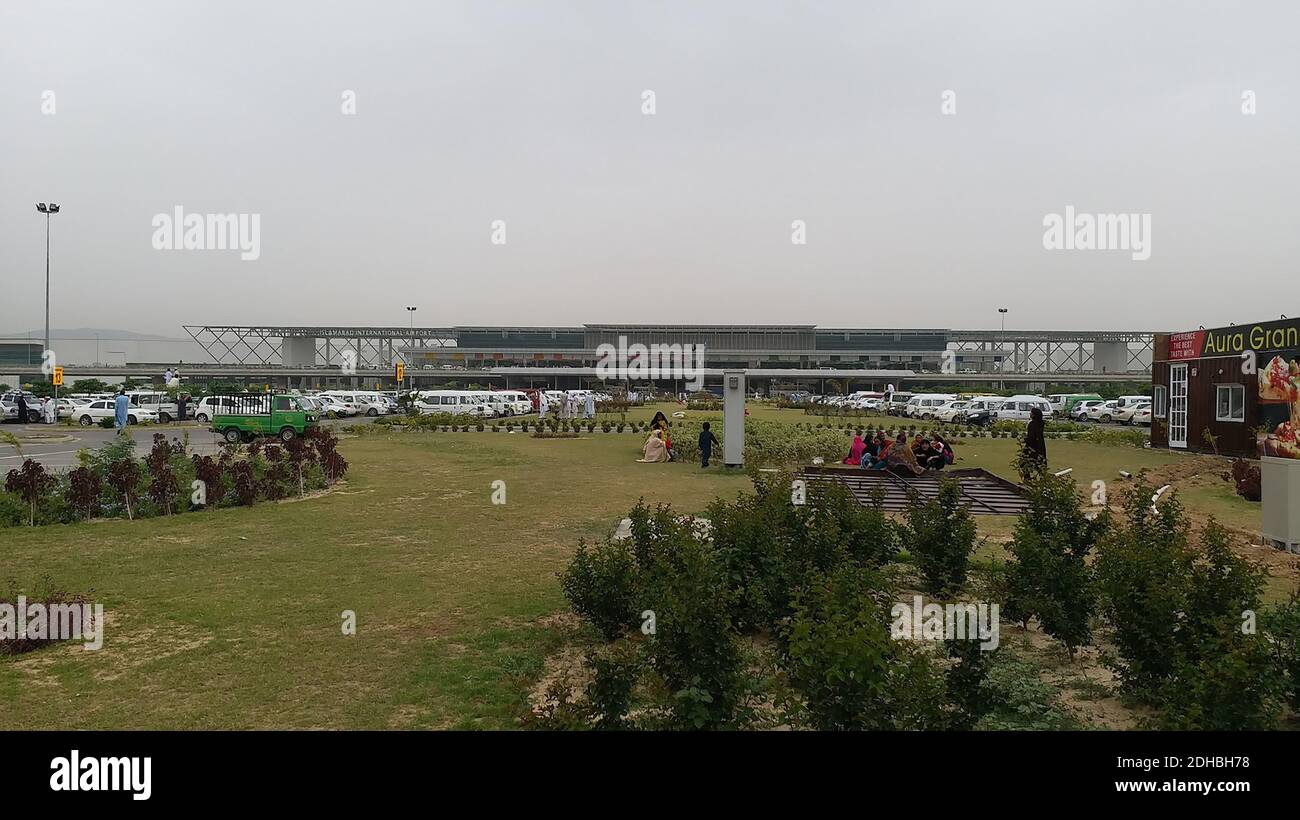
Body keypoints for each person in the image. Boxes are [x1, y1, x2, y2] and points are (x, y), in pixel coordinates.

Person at [1024, 406, 1048, 474]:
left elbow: (1031, 437)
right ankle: (1041, 479)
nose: (1030, 414)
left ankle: (1027, 479)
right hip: (1040, 445)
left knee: (1024, 463)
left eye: (1031, 413)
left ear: (1034, 414)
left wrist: (1025, 440)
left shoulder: (1032, 424)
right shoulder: (1041, 423)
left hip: (1032, 447)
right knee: (1040, 464)